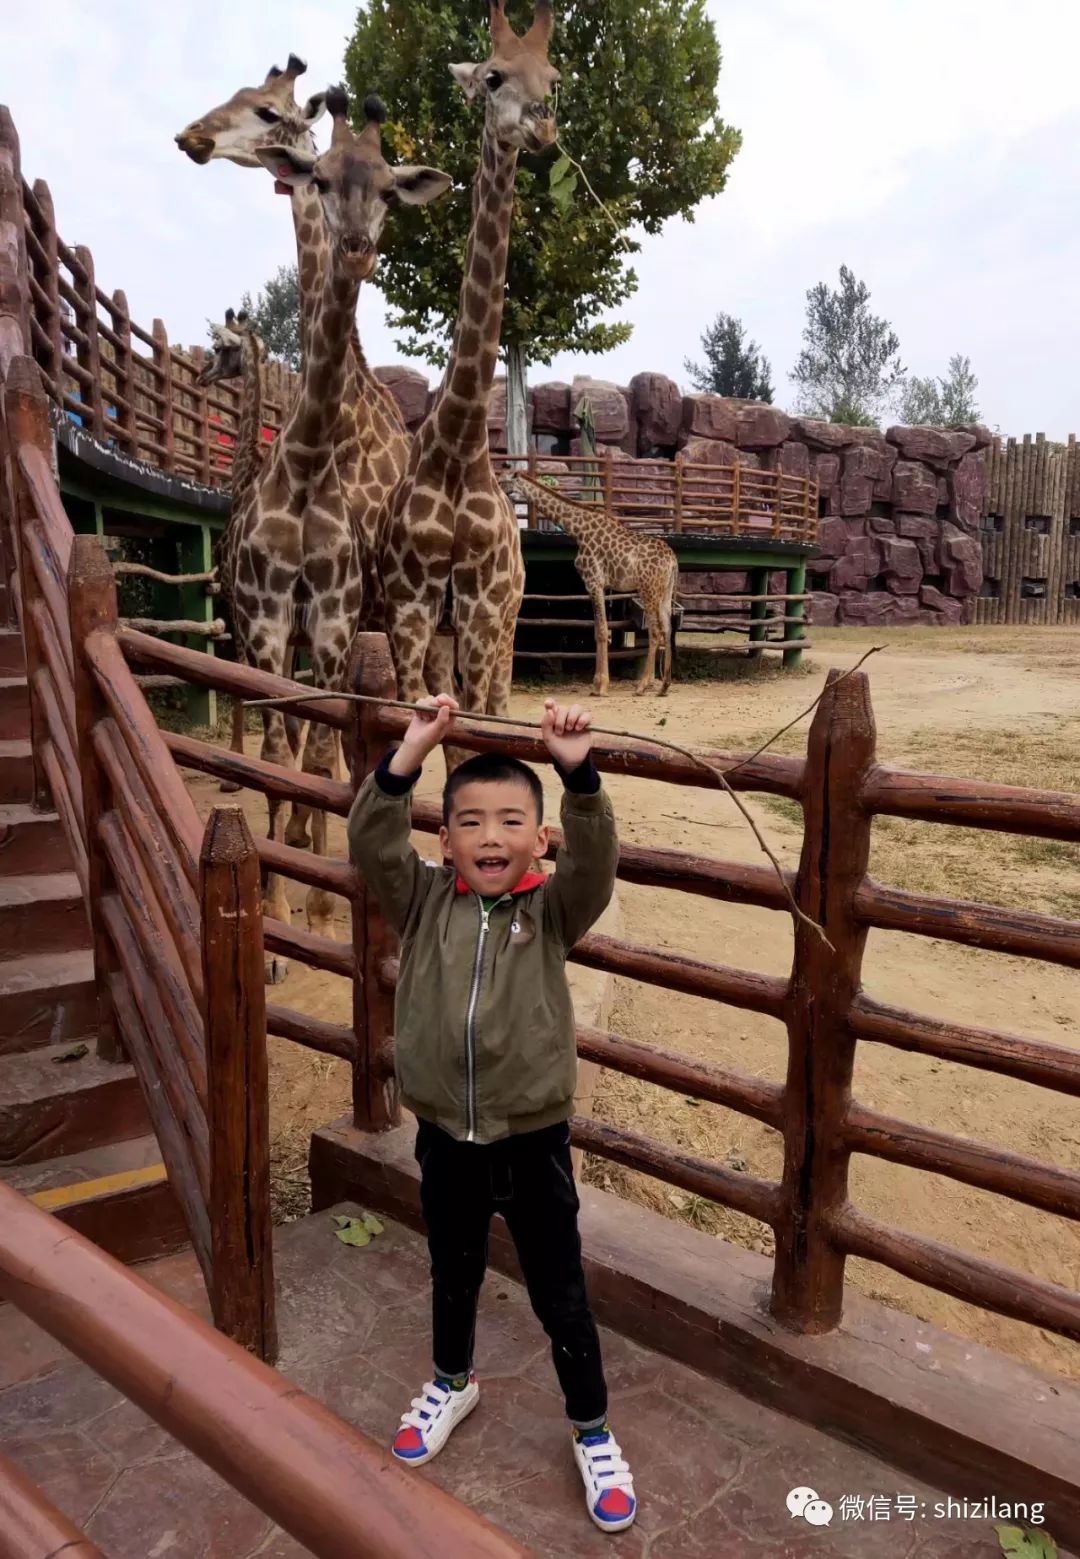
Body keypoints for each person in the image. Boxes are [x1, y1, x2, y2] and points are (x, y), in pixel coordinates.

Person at [347, 693, 637, 1534]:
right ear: (446, 842)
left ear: (538, 839)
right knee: (454, 1265)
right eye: (470, 821)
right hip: (445, 1136)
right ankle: (451, 1379)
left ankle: (592, 1428)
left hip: (533, 1137)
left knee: (560, 1290)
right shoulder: (424, 902)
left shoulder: (552, 912)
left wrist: (576, 771)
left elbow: (597, 860)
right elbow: (371, 839)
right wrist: (412, 749)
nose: (490, 837)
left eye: (511, 820)